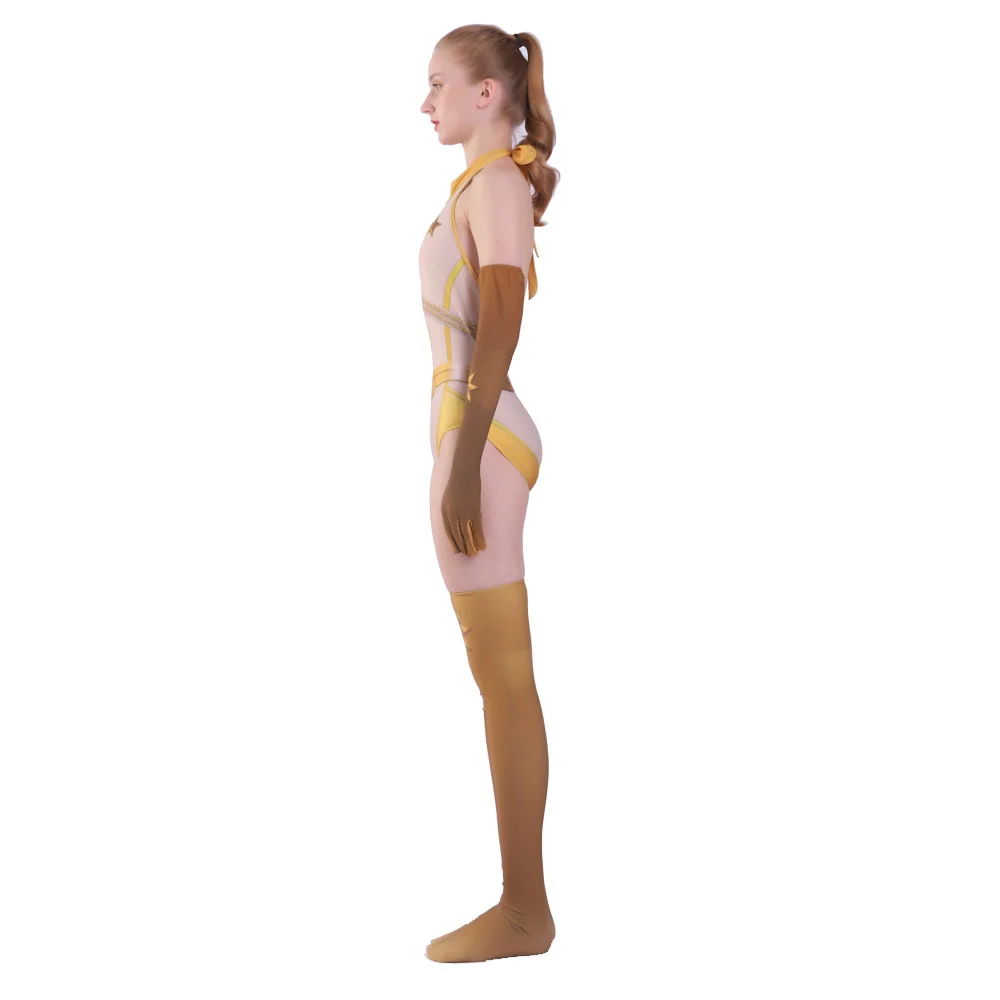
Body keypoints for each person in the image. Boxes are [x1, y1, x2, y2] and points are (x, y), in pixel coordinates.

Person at [417, 25, 561, 963]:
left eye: (438, 83)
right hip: (472, 433)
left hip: (484, 439)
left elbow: (502, 322)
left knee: (504, 677)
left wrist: (466, 461)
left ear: (486, 95)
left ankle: (524, 909)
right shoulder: (479, 186)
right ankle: (520, 904)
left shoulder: (497, 186)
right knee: (496, 675)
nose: (424, 102)